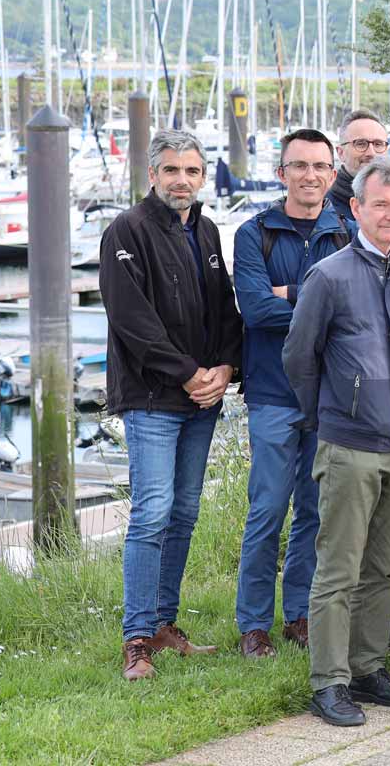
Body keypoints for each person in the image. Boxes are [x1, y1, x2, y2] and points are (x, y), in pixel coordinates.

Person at [284, 157, 390, 727]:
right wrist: (332, 417)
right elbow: (300, 356)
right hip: (350, 445)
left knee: (384, 566)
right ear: (357, 209)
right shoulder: (330, 276)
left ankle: (368, 669)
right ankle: (330, 681)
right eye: (381, 205)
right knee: (338, 568)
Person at [102, 130, 244, 681]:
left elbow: (223, 309)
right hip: (153, 398)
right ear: (152, 174)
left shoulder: (205, 229)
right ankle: (136, 638)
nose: (181, 180)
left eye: (191, 170)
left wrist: (227, 367)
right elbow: (132, 320)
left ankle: (165, 623)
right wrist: (188, 375)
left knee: (184, 513)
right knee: (152, 513)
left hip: (202, 399)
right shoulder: (126, 230)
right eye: (171, 170)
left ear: (203, 176)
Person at [232, 128, 349, 660]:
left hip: (327, 395)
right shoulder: (254, 233)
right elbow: (256, 310)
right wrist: (317, 301)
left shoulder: (345, 231)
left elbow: (353, 308)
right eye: (298, 166)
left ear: (332, 172)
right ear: (281, 173)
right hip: (273, 394)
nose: (309, 175)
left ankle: (298, 613)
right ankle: (253, 623)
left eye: (319, 166)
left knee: (315, 512)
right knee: (267, 511)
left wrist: (293, 295)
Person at [329, 110, 390, 229]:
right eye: (361, 144)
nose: (371, 153)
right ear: (341, 153)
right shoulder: (321, 208)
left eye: (378, 144)